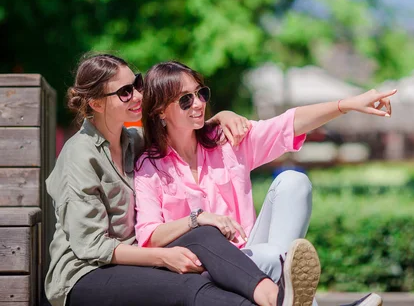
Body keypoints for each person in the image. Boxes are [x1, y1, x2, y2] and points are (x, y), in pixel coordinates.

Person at [44, 53, 322, 306]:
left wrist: (221, 118)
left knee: (201, 241)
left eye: (137, 84)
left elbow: (180, 130)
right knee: (189, 285)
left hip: (133, 264)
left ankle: (275, 299)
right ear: (96, 103)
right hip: (86, 274)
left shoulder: (132, 140)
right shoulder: (79, 157)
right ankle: (278, 299)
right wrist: (163, 256)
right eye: (125, 92)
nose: (139, 95)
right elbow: (91, 247)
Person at [134, 61, 395, 306]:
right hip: (204, 271)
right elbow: (149, 236)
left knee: (293, 181)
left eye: (201, 93)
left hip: (254, 254)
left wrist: (347, 104)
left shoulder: (226, 139)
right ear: (160, 111)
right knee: (271, 257)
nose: (199, 104)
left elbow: (288, 124)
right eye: (185, 99)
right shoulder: (150, 166)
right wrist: (197, 218)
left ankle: (285, 289)